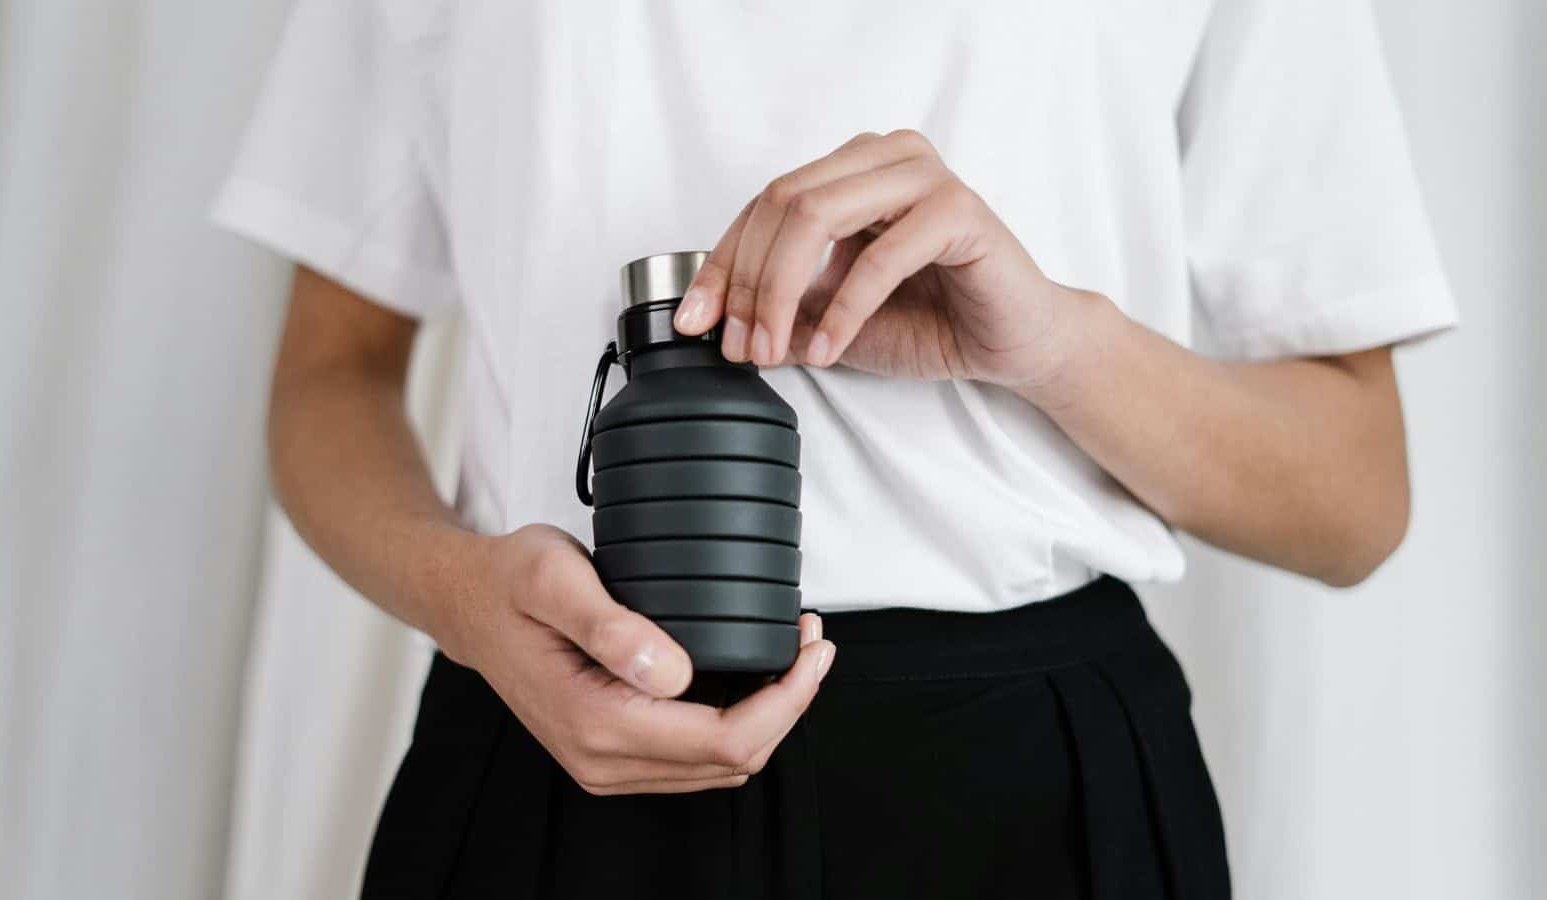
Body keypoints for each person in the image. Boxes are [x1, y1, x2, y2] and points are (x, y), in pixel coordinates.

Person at [213, 0, 1456, 897]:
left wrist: (1052, 346)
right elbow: (330, 375)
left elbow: (1354, 499)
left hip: (1032, 788)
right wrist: (461, 599)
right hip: (544, 731)